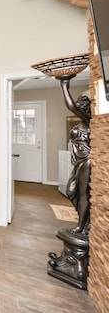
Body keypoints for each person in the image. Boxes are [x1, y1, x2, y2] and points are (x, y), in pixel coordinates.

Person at [59, 77, 91, 235]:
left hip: (87, 160)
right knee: (71, 191)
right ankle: (83, 221)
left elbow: (70, 105)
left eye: (81, 104)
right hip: (77, 161)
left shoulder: (90, 121)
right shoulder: (80, 124)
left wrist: (64, 84)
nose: (78, 105)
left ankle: (81, 226)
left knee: (83, 193)